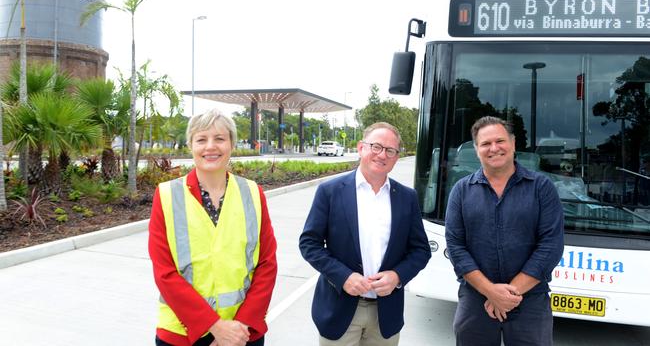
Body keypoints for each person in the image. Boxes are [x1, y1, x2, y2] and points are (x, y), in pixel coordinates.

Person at [148, 108, 277, 346]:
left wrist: (240, 326)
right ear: (191, 146)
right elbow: (164, 271)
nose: (210, 147)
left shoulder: (252, 193)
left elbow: (267, 263)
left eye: (219, 138)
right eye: (201, 139)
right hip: (182, 333)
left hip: (243, 332)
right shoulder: (166, 195)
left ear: (231, 145)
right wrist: (215, 327)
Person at [299, 122, 431, 346]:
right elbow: (309, 244)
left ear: (397, 157)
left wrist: (397, 277)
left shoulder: (406, 197)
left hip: (385, 314)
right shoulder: (330, 191)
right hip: (340, 309)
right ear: (361, 148)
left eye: (390, 150)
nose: (382, 155)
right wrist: (343, 276)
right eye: (376, 147)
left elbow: (420, 250)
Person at [445, 116, 564, 346]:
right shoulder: (460, 191)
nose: (494, 148)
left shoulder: (542, 188)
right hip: (475, 299)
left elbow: (551, 245)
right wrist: (490, 291)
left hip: (530, 300)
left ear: (513, 143)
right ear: (477, 150)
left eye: (500, 141)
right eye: (485, 144)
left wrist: (507, 294)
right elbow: (456, 247)